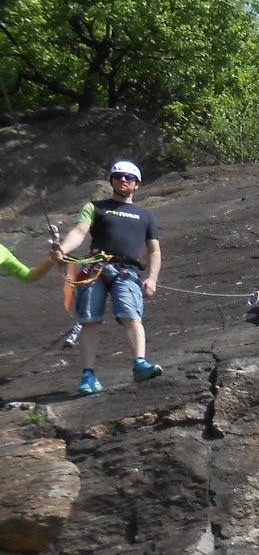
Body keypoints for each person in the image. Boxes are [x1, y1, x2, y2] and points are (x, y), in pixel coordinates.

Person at [53, 160, 162, 395]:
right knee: (89, 320)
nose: (124, 179)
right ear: (112, 179)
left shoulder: (145, 216)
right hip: (96, 268)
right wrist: (63, 249)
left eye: (129, 177)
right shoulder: (95, 207)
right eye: (119, 175)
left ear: (137, 184)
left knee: (131, 315)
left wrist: (152, 278)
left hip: (127, 271)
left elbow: (154, 250)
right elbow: (80, 231)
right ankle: (88, 375)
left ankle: (140, 363)